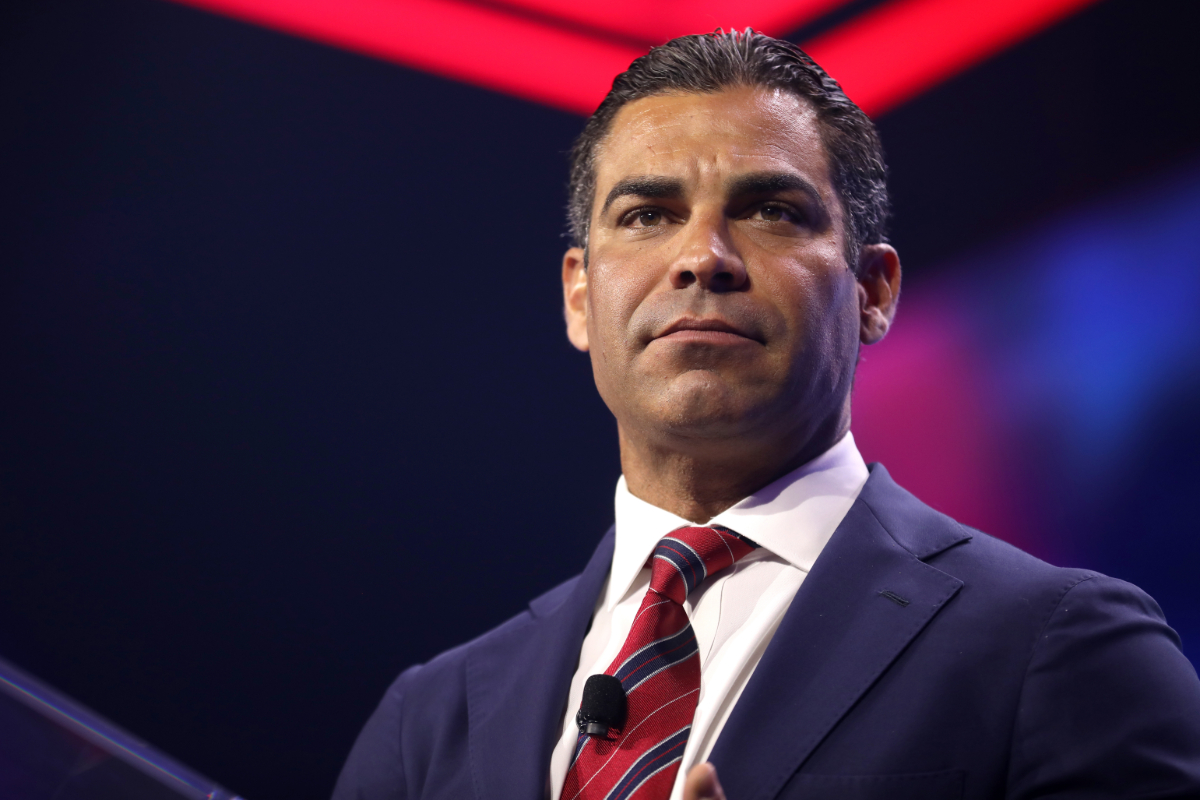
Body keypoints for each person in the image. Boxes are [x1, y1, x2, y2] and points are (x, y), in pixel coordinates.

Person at [331, 30, 1200, 800]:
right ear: (580, 296)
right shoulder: (430, 724)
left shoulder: (1063, 651)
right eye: (646, 215)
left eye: (771, 211)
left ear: (873, 292)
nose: (702, 258)